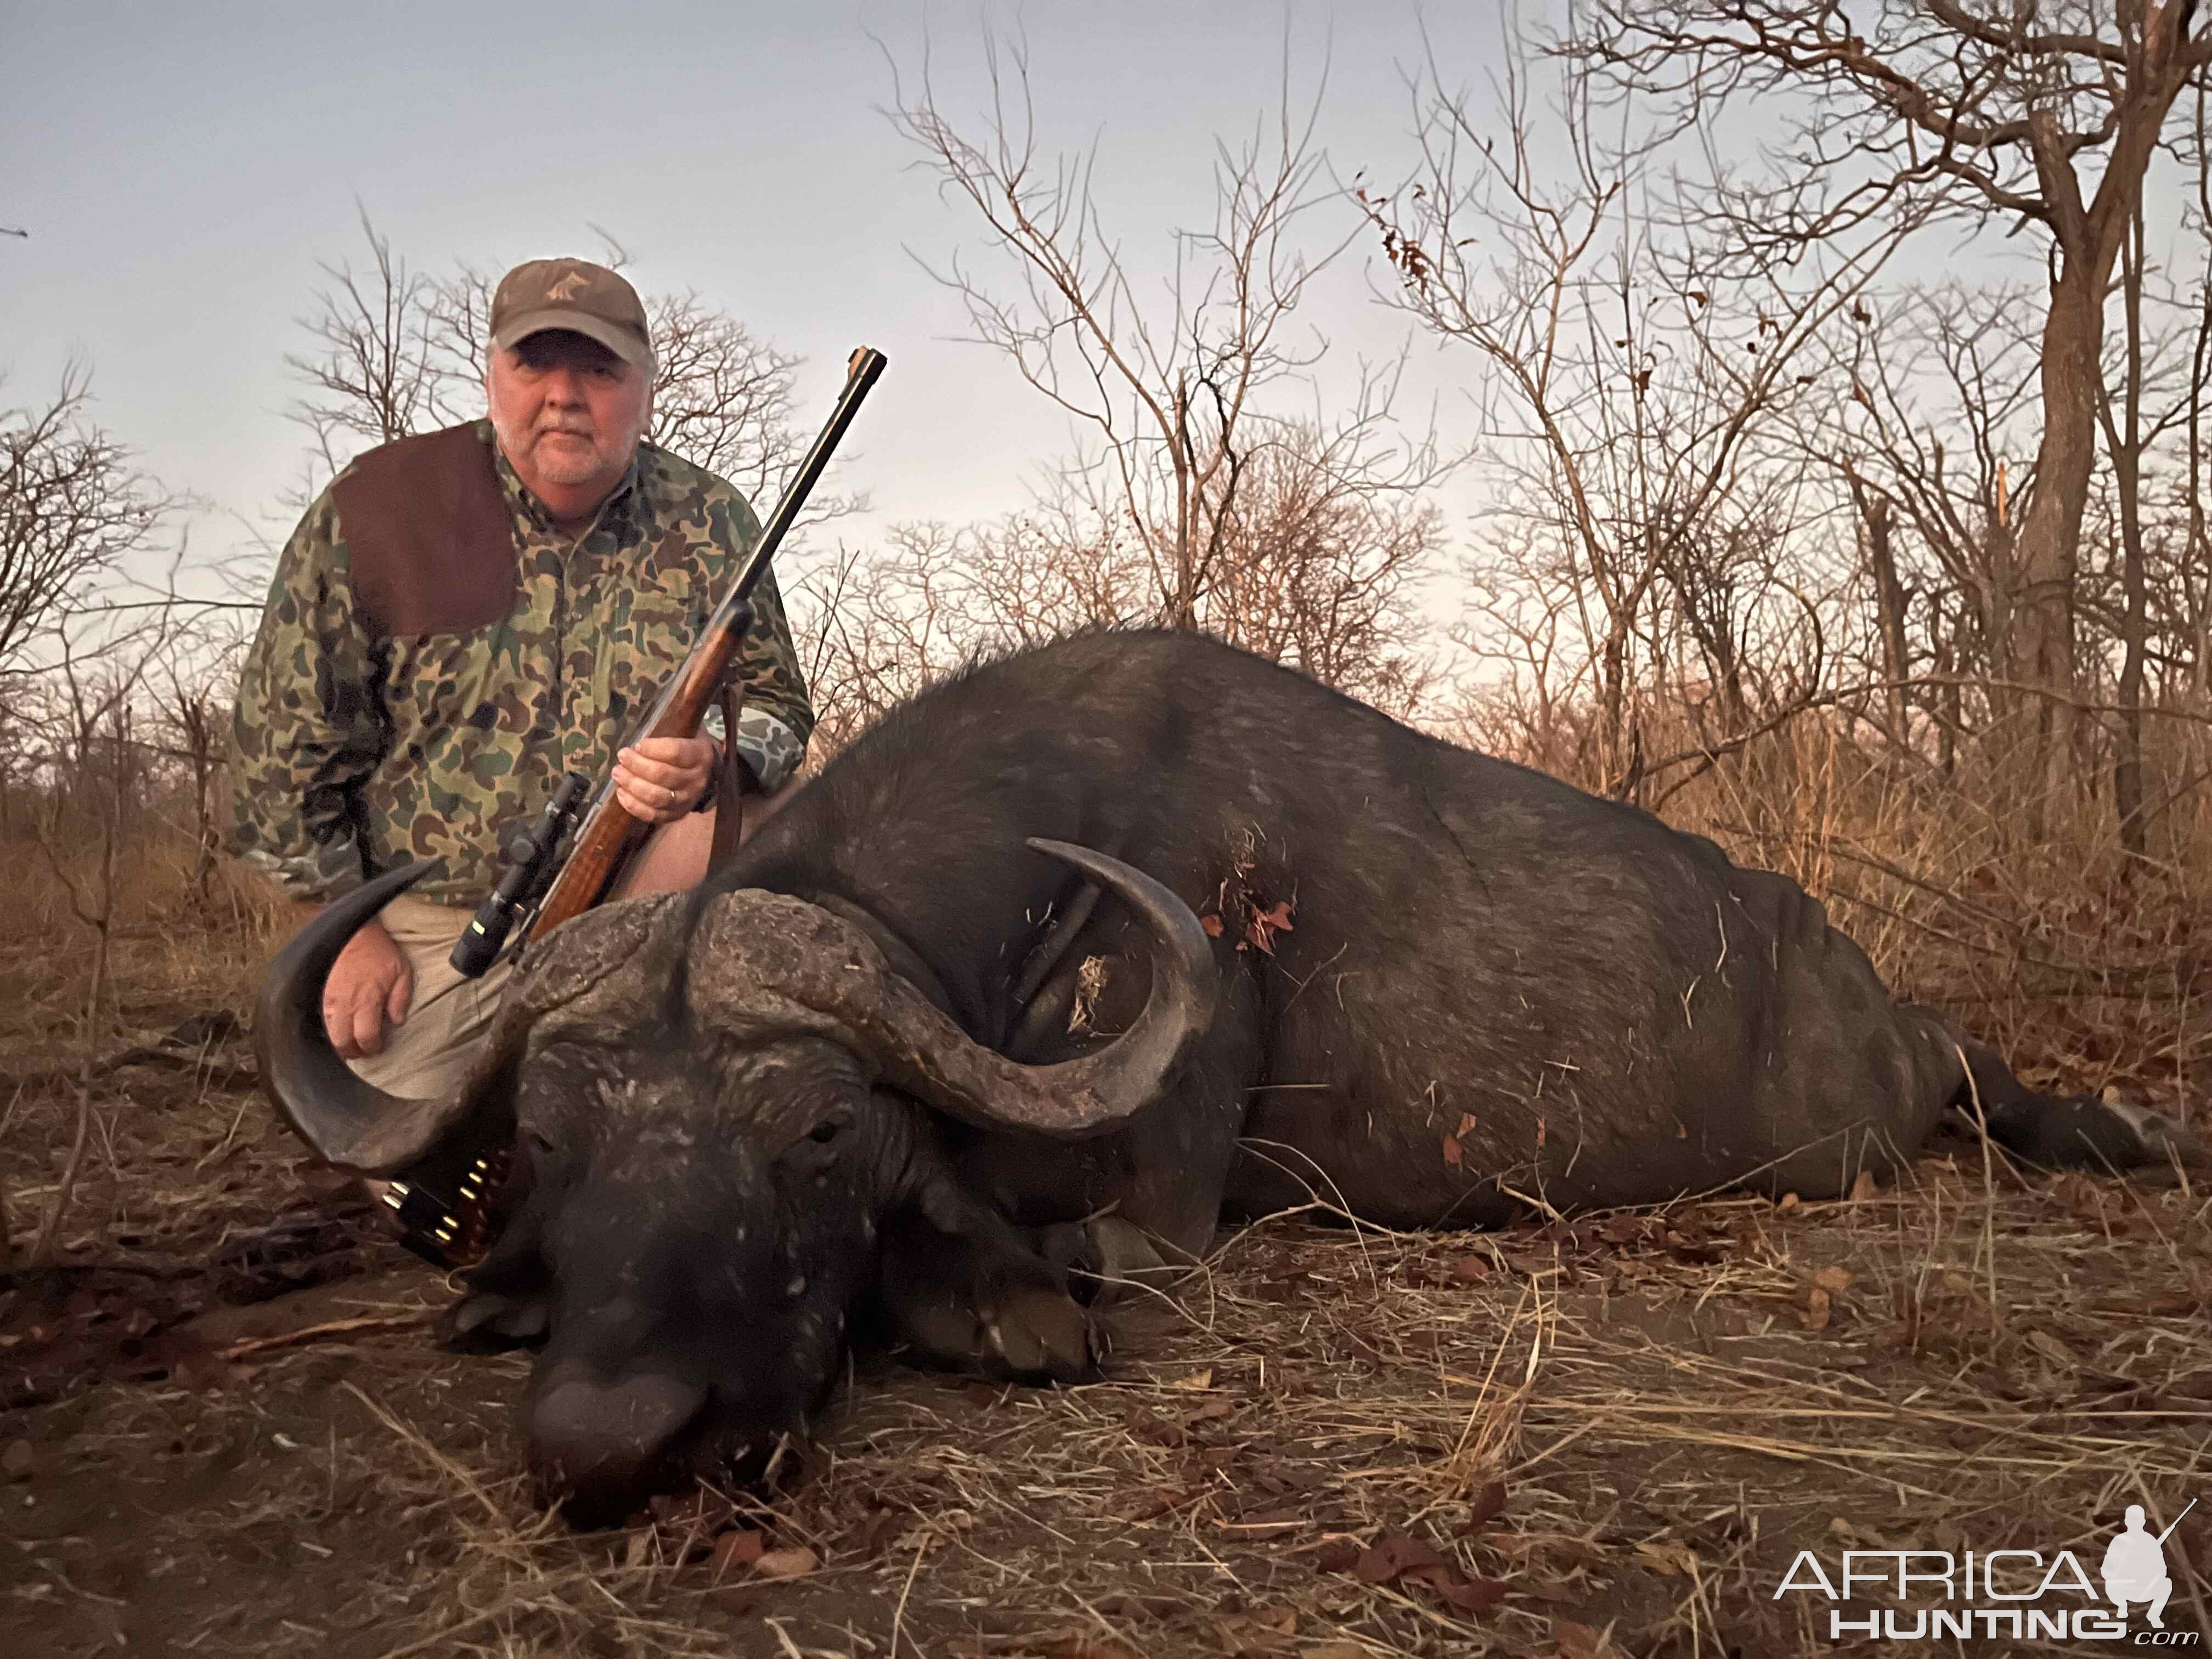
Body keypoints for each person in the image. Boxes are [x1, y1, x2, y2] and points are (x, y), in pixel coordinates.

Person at [228, 256, 814, 1106]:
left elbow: (779, 706)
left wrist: (718, 754)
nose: (565, 394)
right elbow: (277, 770)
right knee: (428, 1176)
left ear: (646, 389)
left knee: (789, 816)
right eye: (535, 363)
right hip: (431, 933)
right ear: (493, 376)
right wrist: (347, 933)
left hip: (642, 914)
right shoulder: (376, 508)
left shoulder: (713, 518)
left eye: (600, 369)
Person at [2102, 1504, 2172, 1628]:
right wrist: (2121, 1571)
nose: (2135, 1523)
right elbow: (2106, 1569)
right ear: (2126, 1522)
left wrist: (2149, 1569)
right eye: (2132, 1520)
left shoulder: (2150, 1541)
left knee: (2167, 1584)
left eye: (2138, 1520)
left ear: (2143, 1522)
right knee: (2110, 1584)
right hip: (2123, 1589)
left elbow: (2162, 1569)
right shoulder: (2119, 1541)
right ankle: (2122, 1607)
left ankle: (2154, 1615)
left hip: (2146, 1588)